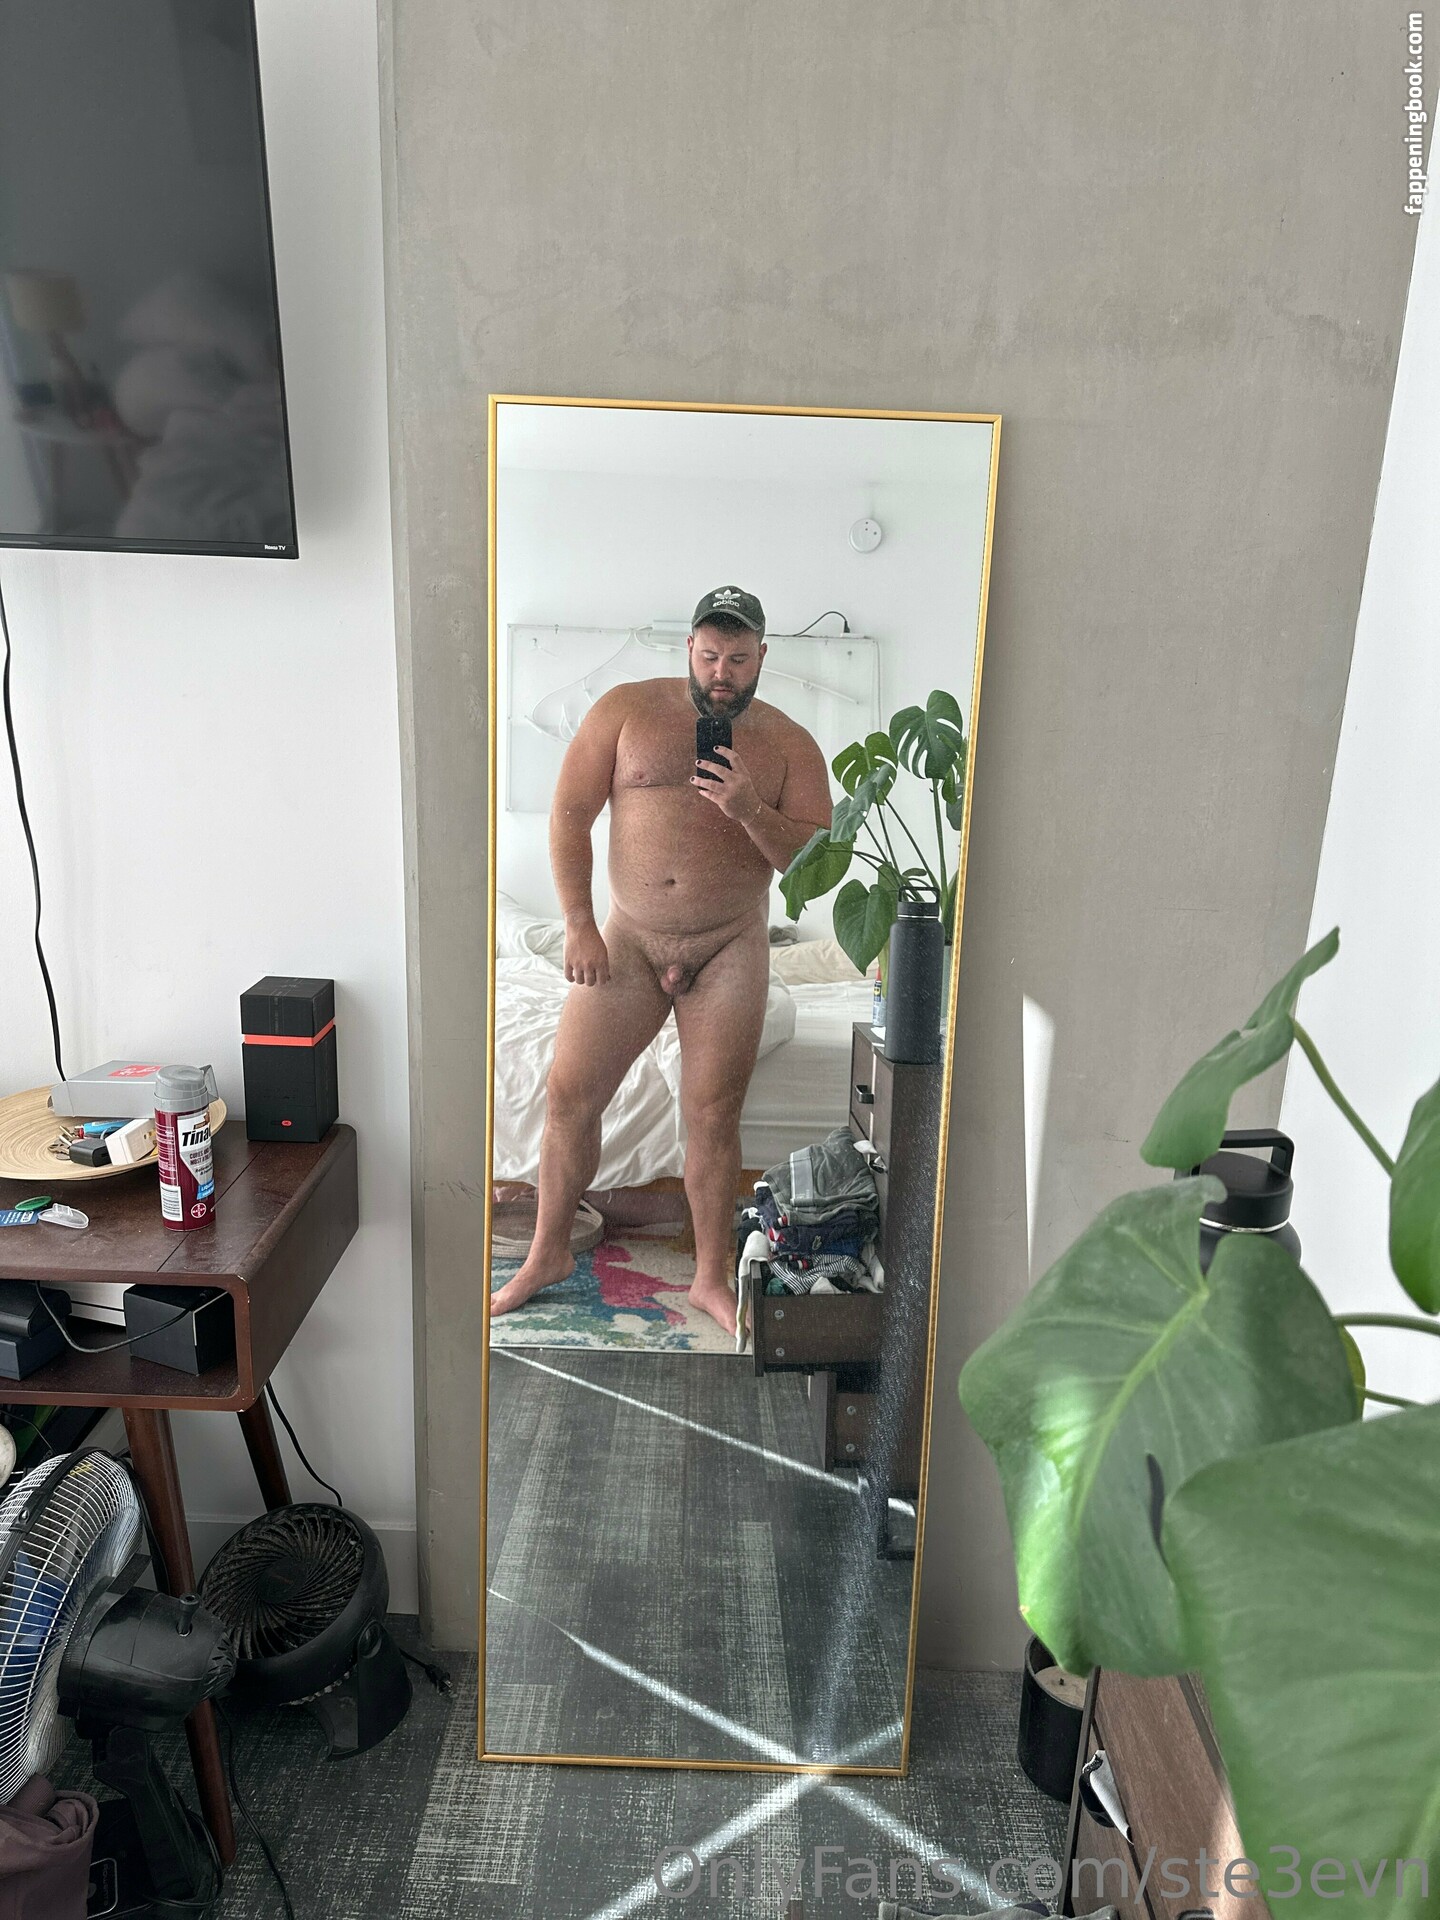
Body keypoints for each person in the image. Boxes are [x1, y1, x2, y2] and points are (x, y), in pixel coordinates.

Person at [491, 586, 834, 1332]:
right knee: (568, 1095)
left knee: (711, 1113)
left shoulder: (791, 743)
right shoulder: (626, 710)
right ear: (688, 648)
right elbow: (570, 815)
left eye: (737, 659)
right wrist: (577, 924)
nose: (721, 673)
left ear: (762, 657)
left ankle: (709, 1277)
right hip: (631, 938)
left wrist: (748, 808)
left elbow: (814, 865)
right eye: (709, 656)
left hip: (729, 945)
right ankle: (547, 1252)